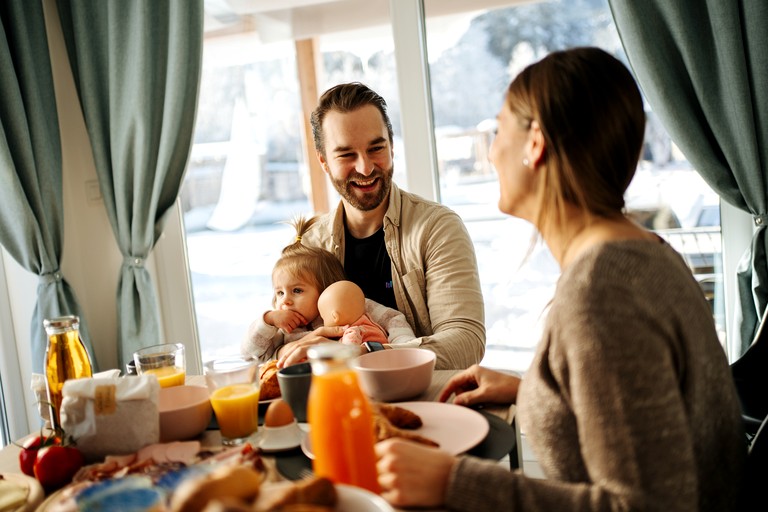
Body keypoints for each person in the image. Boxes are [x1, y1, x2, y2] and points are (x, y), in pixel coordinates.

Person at [374, 47, 746, 511]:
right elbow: (642, 412)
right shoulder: (646, 251)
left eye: (499, 129)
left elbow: (646, 505)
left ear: (536, 143)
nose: (491, 152)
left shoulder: (603, 293)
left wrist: (454, 482)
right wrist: (538, 390)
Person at [277, 82, 486, 370]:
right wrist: (290, 349)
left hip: (423, 395)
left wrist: (367, 354)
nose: (365, 168)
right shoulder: (310, 244)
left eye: (376, 148)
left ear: (391, 146)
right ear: (324, 162)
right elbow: (280, 342)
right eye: (346, 155)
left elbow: (466, 342)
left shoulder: (437, 228)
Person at [241, 217, 418, 363]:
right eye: (280, 293)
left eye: (297, 291)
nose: (285, 301)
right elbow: (249, 355)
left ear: (325, 289)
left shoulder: (347, 304)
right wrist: (268, 320)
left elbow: (393, 318)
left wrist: (401, 345)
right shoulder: (285, 330)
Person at [317, 280, 388, 345]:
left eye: (323, 318)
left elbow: (348, 351)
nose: (323, 324)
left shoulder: (351, 334)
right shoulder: (369, 323)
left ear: (335, 317)